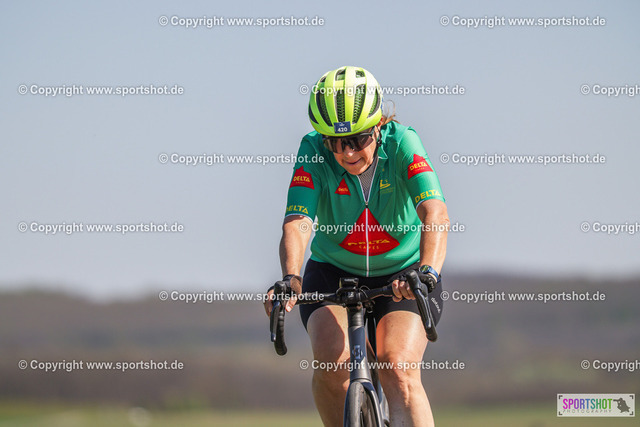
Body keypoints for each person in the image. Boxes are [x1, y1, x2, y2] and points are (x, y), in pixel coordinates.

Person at [264, 65, 448, 426]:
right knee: (332, 365)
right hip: (333, 271)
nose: (347, 153)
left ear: (377, 126)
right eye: (335, 142)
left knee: (397, 368)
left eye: (358, 140)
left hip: (403, 273)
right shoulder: (312, 150)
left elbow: (434, 212)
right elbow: (298, 220)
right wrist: (291, 277)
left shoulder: (402, 143)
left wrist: (427, 272)